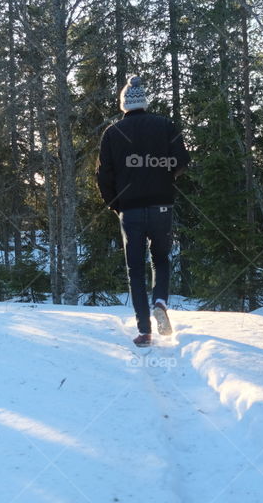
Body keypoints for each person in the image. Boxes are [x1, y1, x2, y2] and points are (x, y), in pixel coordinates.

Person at [96, 77, 189, 347]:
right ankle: (160, 300)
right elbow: (182, 160)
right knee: (161, 258)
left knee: (135, 269)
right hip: (162, 205)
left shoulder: (113, 133)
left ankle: (145, 330)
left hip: (130, 209)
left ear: (124, 104)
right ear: (145, 101)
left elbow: (103, 175)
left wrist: (114, 204)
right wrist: (166, 178)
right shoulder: (165, 125)